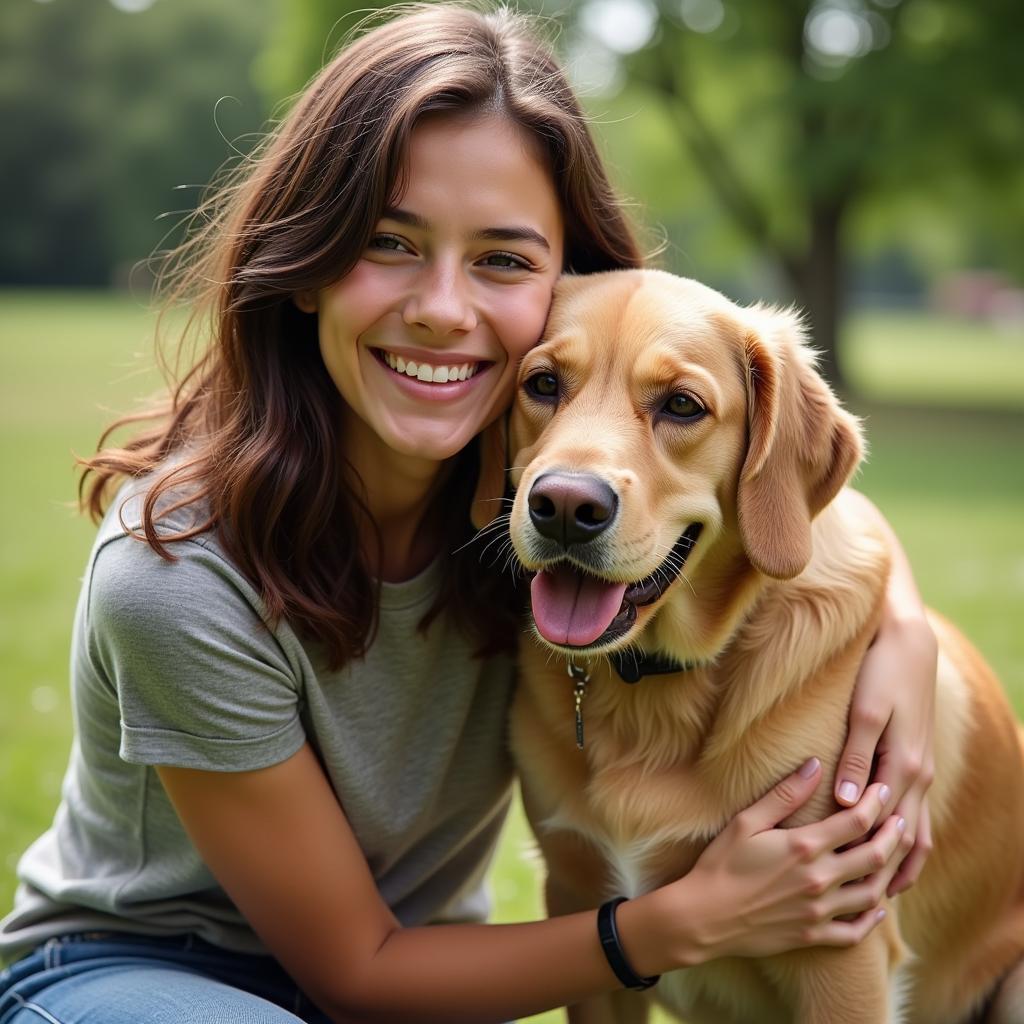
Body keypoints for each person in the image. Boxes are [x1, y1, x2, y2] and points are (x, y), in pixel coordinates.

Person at [0, 5, 937, 1022]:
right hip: (148, 973)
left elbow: (777, 498)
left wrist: (903, 633)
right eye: (390, 242)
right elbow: (354, 970)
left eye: (500, 258)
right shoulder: (177, 575)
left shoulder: (519, 484)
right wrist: (678, 923)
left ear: (567, 282)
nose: (443, 308)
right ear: (309, 261)